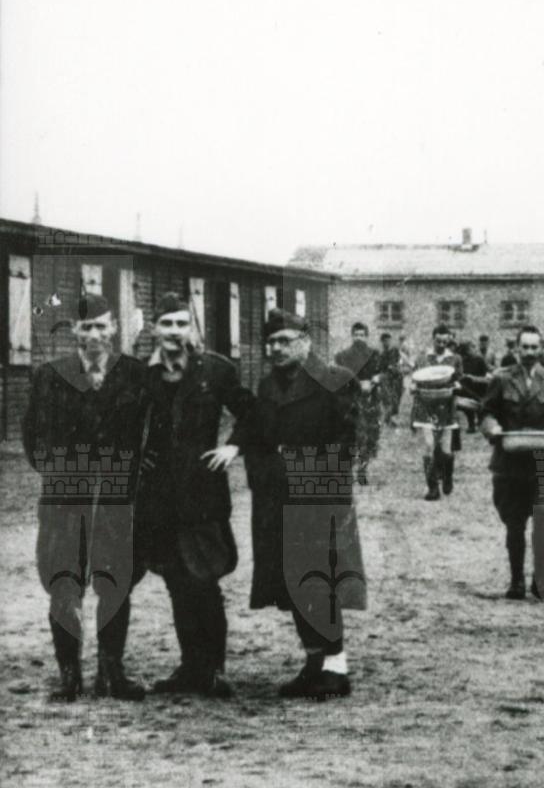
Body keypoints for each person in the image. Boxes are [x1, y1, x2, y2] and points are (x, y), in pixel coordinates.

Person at [234, 309, 365, 698]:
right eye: (271, 342)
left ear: (305, 342)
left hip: (318, 496)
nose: (276, 348)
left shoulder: (336, 380)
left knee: (318, 580)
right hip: (276, 498)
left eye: (285, 341)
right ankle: (313, 661)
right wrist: (259, 468)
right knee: (290, 581)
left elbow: (349, 440)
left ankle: (336, 666)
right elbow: (257, 432)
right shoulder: (267, 387)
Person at [22, 295, 148, 700]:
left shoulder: (135, 374)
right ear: (74, 331)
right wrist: (59, 472)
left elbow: (150, 431)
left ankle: (111, 672)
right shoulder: (50, 376)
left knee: (115, 581)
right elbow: (32, 435)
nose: (94, 335)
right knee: (63, 582)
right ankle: (69, 674)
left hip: (116, 497)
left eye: (101, 326)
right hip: (65, 499)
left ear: (114, 328)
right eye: (86, 327)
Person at [135, 293, 253, 697]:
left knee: (203, 579)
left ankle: (213, 669)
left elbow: (251, 412)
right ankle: (190, 667)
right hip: (157, 497)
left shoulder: (216, 370)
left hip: (202, 493)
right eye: (166, 323)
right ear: (154, 328)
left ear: (192, 327)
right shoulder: (140, 374)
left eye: (181, 323)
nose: (174, 331)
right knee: (175, 580)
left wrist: (233, 446)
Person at [480, 324, 544, 601]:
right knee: (515, 522)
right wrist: (493, 428)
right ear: (517, 348)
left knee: (543, 517)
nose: (530, 352)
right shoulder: (501, 378)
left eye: (535, 347)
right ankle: (517, 580)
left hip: (543, 461)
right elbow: (486, 412)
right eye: (525, 347)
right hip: (510, 463)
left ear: (541, 348)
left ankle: (540, 580)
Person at [409, 325, 465, 501]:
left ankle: (447, 476)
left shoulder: (455, 359)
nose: (441, 344)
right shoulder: (423, 358)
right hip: (425, 405)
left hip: (447, 406)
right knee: (428, 445)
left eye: (445, 341)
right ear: (433, 339)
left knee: (446, 449)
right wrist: (412, 386)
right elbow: (415, 379)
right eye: (438, 341)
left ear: (449, 341)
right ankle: (432, 487)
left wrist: (457, 386)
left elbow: (459, 380)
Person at [334, 321, 384, 485]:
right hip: (351, 400)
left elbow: (383, 373)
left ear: (367, 337)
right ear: (352, 336)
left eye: (362, 335)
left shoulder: (375, 355)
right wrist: (355, 383)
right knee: (352, 434)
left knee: (370, 435)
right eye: (356, 335)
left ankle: (363, 468)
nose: (359, 338)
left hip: (371, 400)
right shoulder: (342, 356)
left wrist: (377, 379)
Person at [377, 328, 407, 428]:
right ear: (382, 342)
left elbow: (400, 361)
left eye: (388, 340)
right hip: (386, 379)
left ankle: (389, 419)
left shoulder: (395, 350)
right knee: (388, 400)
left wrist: (397, 367)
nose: (387, 342)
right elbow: (380, 368)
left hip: (397, 378)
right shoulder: (381, 354)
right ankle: (386, 420)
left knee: (396, 399)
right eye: (385, 341)